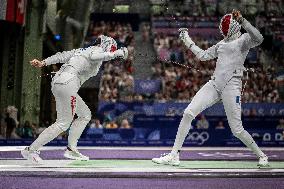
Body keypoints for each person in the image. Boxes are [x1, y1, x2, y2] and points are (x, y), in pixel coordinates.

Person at [152, 10, 268, 167]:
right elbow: (203, 56)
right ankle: (174, 155)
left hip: (232, 86)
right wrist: (187, 40)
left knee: (237, 130)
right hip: (214, 84)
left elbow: (259, 38)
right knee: (188, 113)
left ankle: (261, 155)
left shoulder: (244, 41)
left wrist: (243, 20)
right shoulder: (221, 44)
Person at [21, 35, 128, 164]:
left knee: (84, 114)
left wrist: (43, 62)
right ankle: (31, 150)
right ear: (106, 45)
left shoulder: (80, 51)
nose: (110, 52)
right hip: (68, 82)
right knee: (63, 123)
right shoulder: (97, 51)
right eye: (110, 49)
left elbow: (61, 56)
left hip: (59, 81)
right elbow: (94, 56)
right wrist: (115, 54)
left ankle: (71, 149)